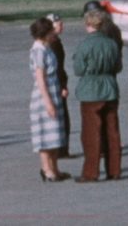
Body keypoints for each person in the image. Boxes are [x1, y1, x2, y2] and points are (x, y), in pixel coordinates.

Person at [73, 9, 123, 182]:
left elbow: (78, 70)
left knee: (91, 134)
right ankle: (114, 170)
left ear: (88, 24)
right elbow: (118, 67)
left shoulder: (85, 45)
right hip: (110, 88)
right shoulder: (112, 44)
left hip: (90, 91)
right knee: (112, 132)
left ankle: (90, 172)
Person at [28, 17, 70, 182]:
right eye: (51, 30)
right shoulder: (38, 50)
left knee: (55, 133)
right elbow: (40, 78)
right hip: (44, 95)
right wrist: (48, 102)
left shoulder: (47, 48)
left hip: (54, 92)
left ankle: (55, 168)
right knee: (46, 135)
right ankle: (47, 169)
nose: (54, 32)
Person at [46, 13, 71, 158]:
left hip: (57, 83)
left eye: (61, 23)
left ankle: (60, 150)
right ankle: (61, 151)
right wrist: (62, 86)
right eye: (58, 24)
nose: (61, 26)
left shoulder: (54, 41)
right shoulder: (53, 43)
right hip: (57, 85)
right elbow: (56, 68)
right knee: (61, 118)